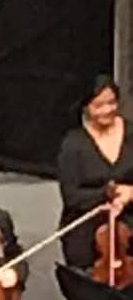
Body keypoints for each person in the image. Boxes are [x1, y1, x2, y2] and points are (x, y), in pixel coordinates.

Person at [56, 77, 133, 236]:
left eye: (112, 103)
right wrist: (108, 193)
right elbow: (71, 197)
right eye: (98, 106)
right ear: (85, 107)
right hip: (86, 218)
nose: (107, 110)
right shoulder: (73, 143)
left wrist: (130, 193)